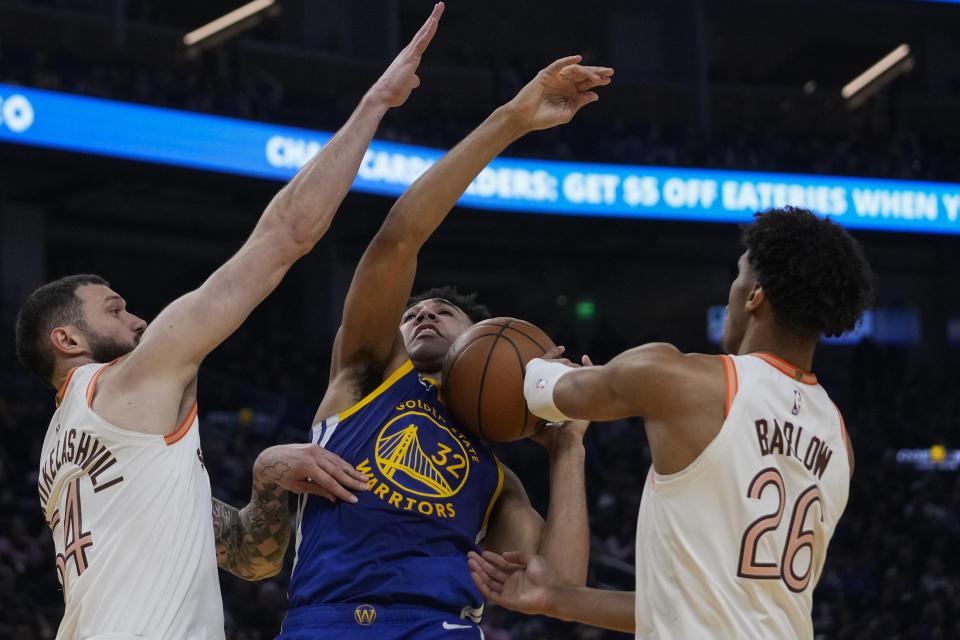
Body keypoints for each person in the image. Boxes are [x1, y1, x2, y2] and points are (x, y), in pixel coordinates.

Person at [14, 5, 445, 638]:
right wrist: (376, 102)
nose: (137, 322)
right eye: (115, 309)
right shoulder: (123, 386)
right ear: (68, 339)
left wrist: (268, 474)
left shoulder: (67, 449)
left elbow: (251, 556)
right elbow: (286, 234)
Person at [268, 56, 613, 640]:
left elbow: (557, 586)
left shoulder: (498, 479)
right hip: (326, 621)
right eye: (410, 314)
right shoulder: (367, 375)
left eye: (443, 312)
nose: (423, 312)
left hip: (439, 627)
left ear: (482, 342)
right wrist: (511, 121)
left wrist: (567, 450)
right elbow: (397, 238)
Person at [469, 207, 874, 640]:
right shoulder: (839, 441)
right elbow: (714, 608)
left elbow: (538, 387)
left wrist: (494, 359)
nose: (732, 290)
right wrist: (560, 599)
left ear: (755, 294)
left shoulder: (683, 379)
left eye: (737, 277)